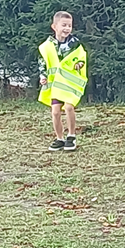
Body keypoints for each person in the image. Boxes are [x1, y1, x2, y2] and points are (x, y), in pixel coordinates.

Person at [38, 11, 87, 151]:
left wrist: (79, 65)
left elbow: (81, 57)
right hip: (55, 85)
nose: (67, 28)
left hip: (70, 84)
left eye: (69, 26)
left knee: (69, 107)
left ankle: (71, 136)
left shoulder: (75, 44)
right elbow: (42, 62)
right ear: (54, 26)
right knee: (55, 112)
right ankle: (59, 138)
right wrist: (43, 76)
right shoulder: (46, 46)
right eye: (64, 25)